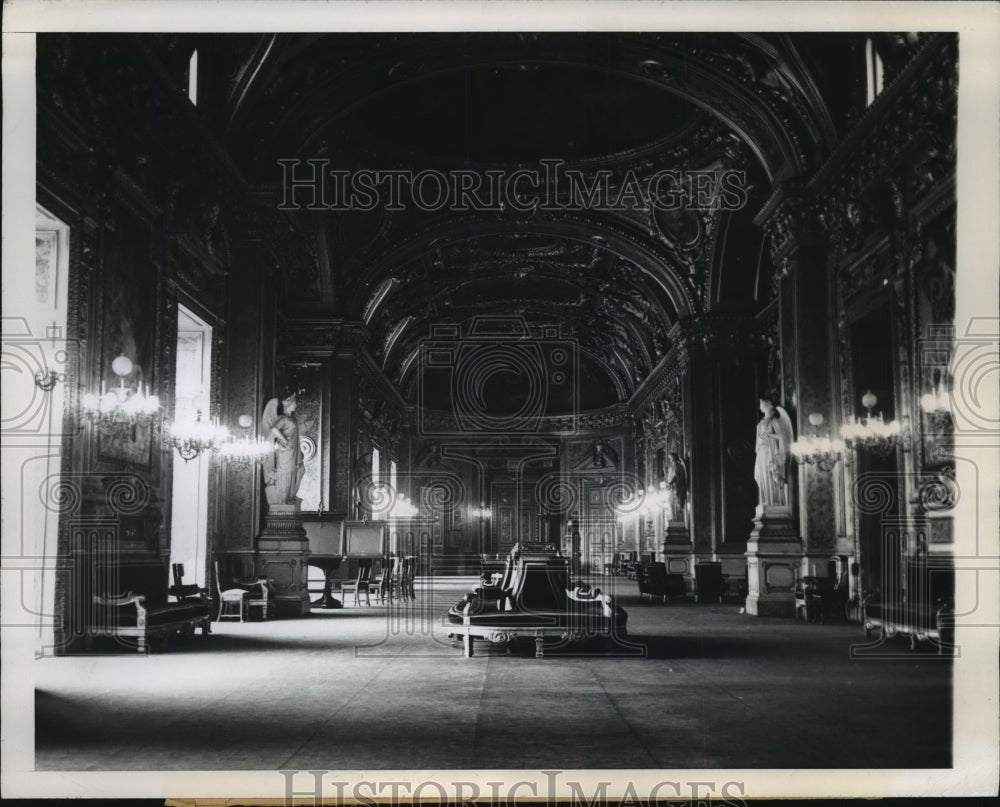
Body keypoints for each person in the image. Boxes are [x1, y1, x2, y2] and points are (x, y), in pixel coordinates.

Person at [261, 393, 305, 507]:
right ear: (289, 404)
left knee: (300, 470)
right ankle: (283, 502)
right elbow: (274, 429)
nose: (296, 404)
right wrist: (283, 439)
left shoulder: (292, 419)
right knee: (285, 474)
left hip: (293, 451)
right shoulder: (284, 418)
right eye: (294, 402)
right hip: (286, 452)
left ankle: (289, 498)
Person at [754, 395, 794, 507]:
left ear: (768, 405)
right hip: (761, 451)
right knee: (759, 475)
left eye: (762, 403)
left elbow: (782, 436)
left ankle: (774, 502)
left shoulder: (774, 421)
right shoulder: (762, 421)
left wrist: (770, 434)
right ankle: (768, 499)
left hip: (770, 452)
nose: (760, 406)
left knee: (769, 474)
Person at [665, 452, 688, 522]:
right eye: (669, 458)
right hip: (671, 487)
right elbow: (670, 476)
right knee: (670, 501)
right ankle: (673, 517)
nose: (670, 459)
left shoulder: (677, 466)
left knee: (675, 501)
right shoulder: (672, 466)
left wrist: (670, 482)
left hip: (676, 487)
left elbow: (677, 476)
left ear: (674, 458)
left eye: (670, 458)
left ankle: (676, 518)